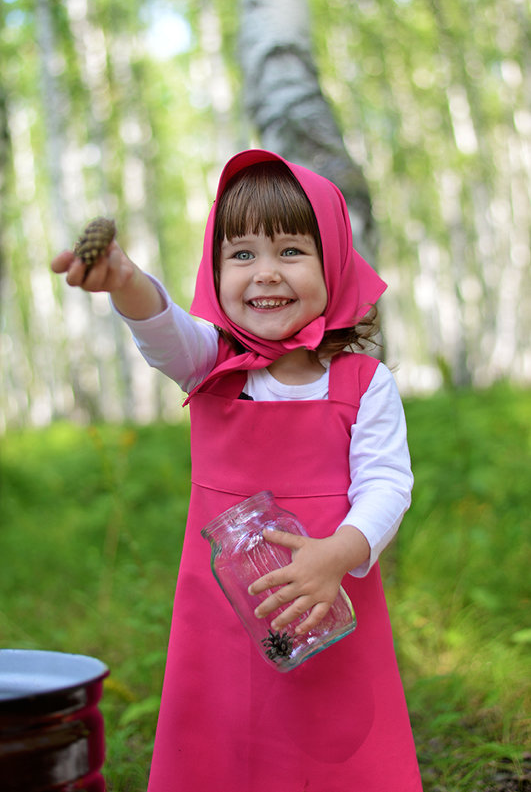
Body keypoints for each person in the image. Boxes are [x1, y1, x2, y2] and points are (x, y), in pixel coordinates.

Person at [52, 149, 423, 791]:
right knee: (224, 736)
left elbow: (387, 484)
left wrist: (338, 552)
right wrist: (124, 279)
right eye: (242, 254)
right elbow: (162, 329)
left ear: (332, 260)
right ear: (215, 268)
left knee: (329, 739)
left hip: (324, 595)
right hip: (222, 609)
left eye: (291, 252)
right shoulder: (214, 364)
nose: (265, 274)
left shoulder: (365, 384)